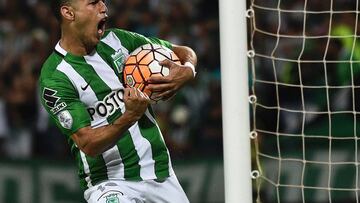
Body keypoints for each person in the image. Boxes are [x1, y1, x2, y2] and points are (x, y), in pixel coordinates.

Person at [39, 0, 197, 202]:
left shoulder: (118, 40)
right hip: (109, 183)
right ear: (68, 13)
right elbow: (88, 143)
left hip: (161, 174)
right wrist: (130, 115)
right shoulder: (55, 77)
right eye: (93, 3)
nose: (103, 7)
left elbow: (182, 51)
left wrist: (188, 70)